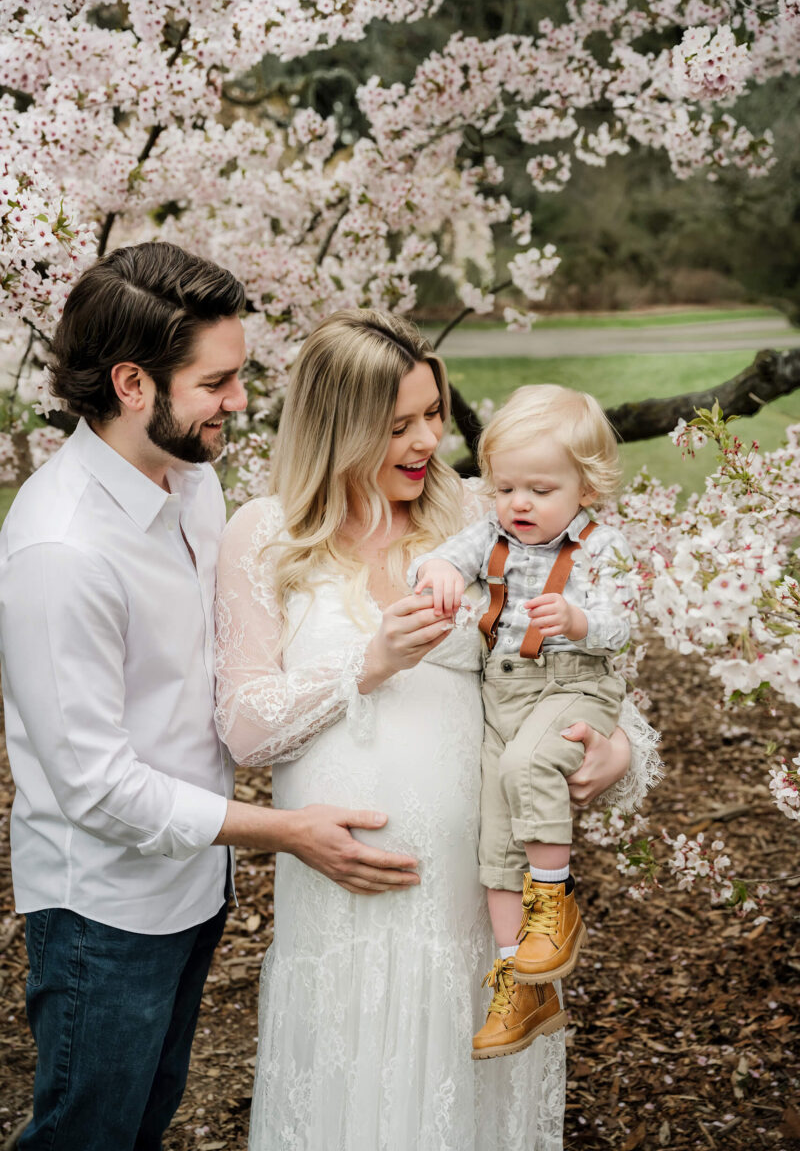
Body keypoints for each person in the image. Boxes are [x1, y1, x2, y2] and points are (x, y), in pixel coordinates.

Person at [0, 245, 420, 1151]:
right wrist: (287, 834)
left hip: (194, 879)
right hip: (101, 911)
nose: (239, 401)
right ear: (132, 383)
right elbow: (96, 789)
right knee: (86, 1134)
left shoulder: (191, 480)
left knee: (145, 1120)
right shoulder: (60, 552)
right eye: (218, 381)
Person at [214, 309, 662, 1150]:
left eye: (433, 412)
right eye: (399, 425)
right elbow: (243, 728)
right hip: (344, 906)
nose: (429, 439)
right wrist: (368, 663)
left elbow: (577, 668)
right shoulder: (266, 535)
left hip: (472, 895)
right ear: (339, 427)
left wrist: (620, 749)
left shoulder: (472, 518)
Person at [411, 384, 637, 1059]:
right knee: (495, 843)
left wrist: (579, 620)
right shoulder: (491, 535)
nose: (519, 504)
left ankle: (554, 907)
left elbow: (624, 626)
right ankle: (522, 981)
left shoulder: (604, 546)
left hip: (573, 684)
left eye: (540, 489)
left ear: (587, 488)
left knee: (527, 766)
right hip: (504, 695)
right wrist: (439, 577)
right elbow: (440, 557)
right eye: (506, 488)